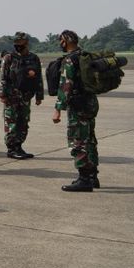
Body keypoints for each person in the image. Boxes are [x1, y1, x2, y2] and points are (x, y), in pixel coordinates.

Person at [53, 30, 100, 192]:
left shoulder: (70, 59)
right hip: (91, 103)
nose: (60, 43)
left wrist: (58, 109)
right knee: (90, 139)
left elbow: (66, 85)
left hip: (78, 106)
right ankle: (93, 176)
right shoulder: (85, 56)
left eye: (61, 40)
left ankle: (84, 179)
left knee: (77, 141)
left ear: (66, 41)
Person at [0, 31, 43, 159]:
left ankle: (19, 146)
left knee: (23, 122)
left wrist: (39, 96)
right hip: (11, 96)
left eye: (20, 42)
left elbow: (38, 78)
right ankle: (11, 148)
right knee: (11, 122)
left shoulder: (34, 58)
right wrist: (2, 94)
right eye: (15, 42)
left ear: (26, 43)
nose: (17, 45)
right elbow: (3, 77)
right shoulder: (9, 58)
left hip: (26, 96)